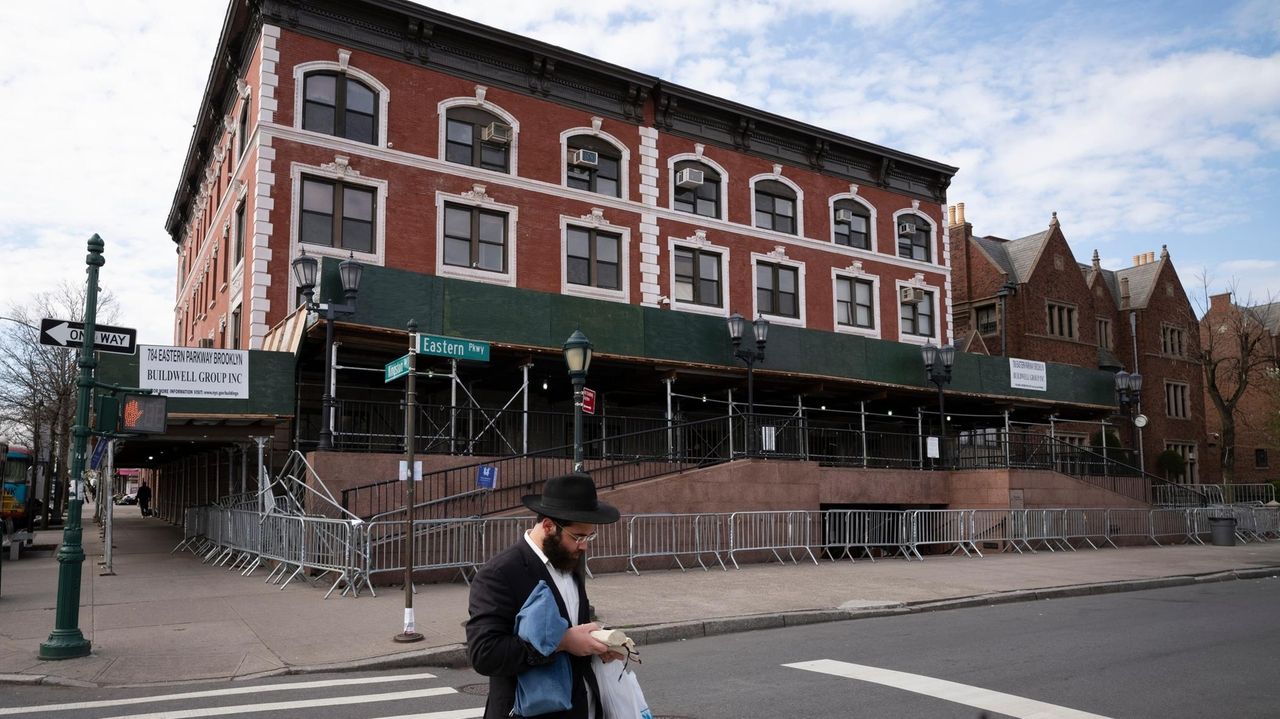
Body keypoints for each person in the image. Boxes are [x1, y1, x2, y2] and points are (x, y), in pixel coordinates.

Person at [467, 472, 623, 718]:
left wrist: (598, 643)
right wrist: (561, 642)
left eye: (589, 536)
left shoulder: (567, 561)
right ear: (549, 526)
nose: (584, 546)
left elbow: (571, 627)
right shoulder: (501, 572)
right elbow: (485, 654)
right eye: (578, 537)